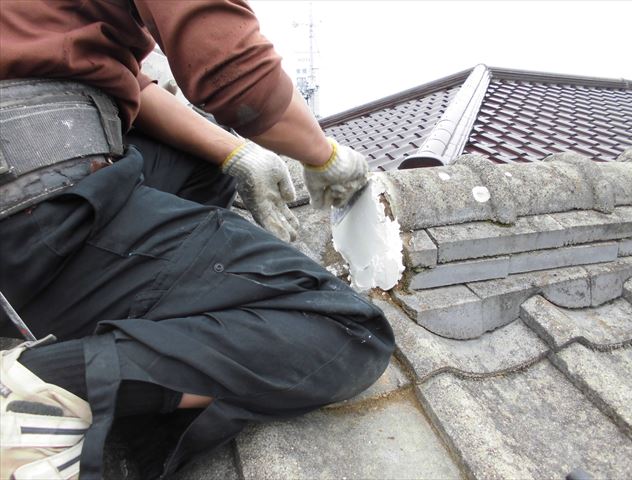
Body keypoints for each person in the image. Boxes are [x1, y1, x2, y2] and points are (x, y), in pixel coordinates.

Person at [0, 1, 394, 479]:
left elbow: (130, 85)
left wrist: (237, 154)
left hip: (23, 203)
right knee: (346, 332)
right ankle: (43, 385)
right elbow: (235, 71)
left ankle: (134, 325)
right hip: (29, 213)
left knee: (199, 167)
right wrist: (324, 155)